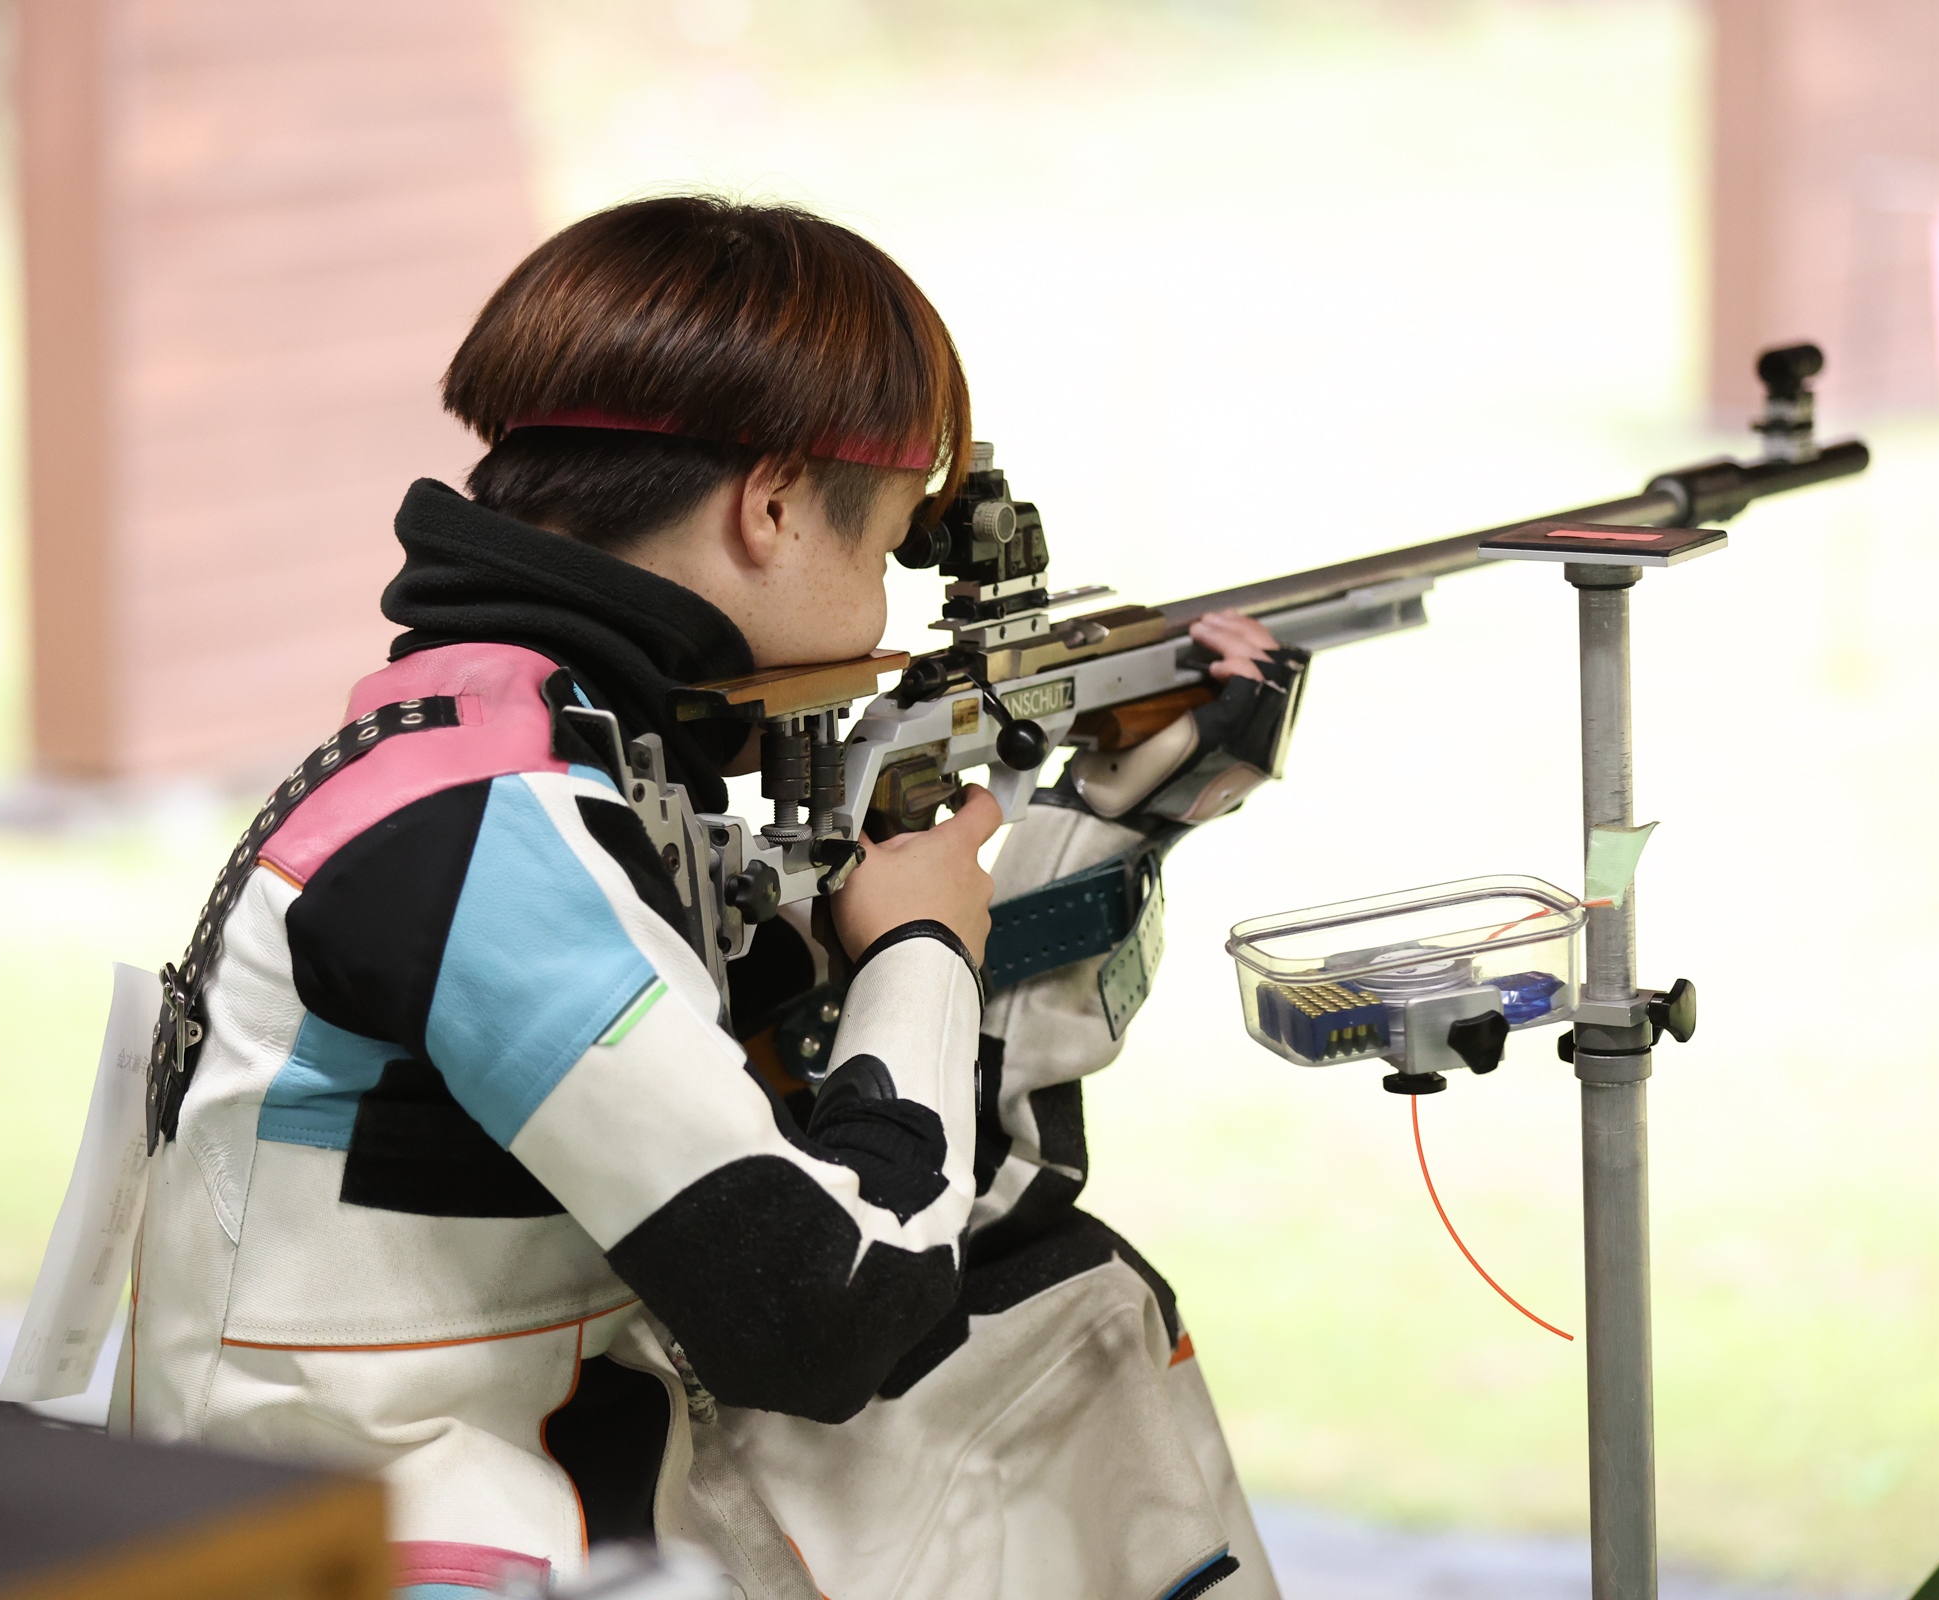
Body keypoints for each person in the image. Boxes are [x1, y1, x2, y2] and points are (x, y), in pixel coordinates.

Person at [115, 196, 1286, 1600]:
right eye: (885, 545)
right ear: (773, 505)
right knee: (1057, 1352)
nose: (885, 611)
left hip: (436, 1501)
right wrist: (920, 946)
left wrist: (1101, 819)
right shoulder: (496, 830)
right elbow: (834, 1313)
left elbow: (855, 1147)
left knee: (1057, 1302)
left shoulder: (495, 748)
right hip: (379, 1557)